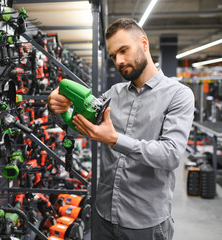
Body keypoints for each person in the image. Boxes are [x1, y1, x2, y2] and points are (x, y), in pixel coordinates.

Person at [47, 18, 194, 240]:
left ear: (144, 43)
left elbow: (171, 154)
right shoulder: (112, 94)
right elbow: (77, 127)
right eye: (114, 56)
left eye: (124, 50)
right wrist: (59, 107)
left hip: (145, 222)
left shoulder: (178, 95)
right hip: (103, 215)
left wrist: (115, 140)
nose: (119, 60)